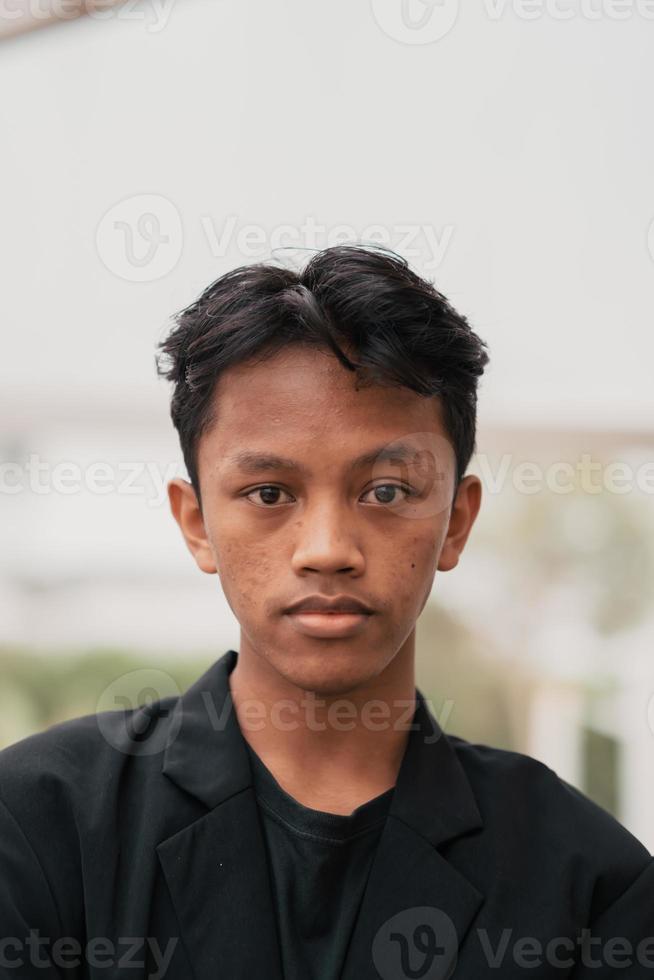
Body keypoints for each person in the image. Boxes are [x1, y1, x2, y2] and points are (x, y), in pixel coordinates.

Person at [0, 244, 651, 979]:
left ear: (457, 521)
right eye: (270, 494)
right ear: (196, 523)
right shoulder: (36, 824)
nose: (327, 549)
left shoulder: (587, 881)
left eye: (386, 492)